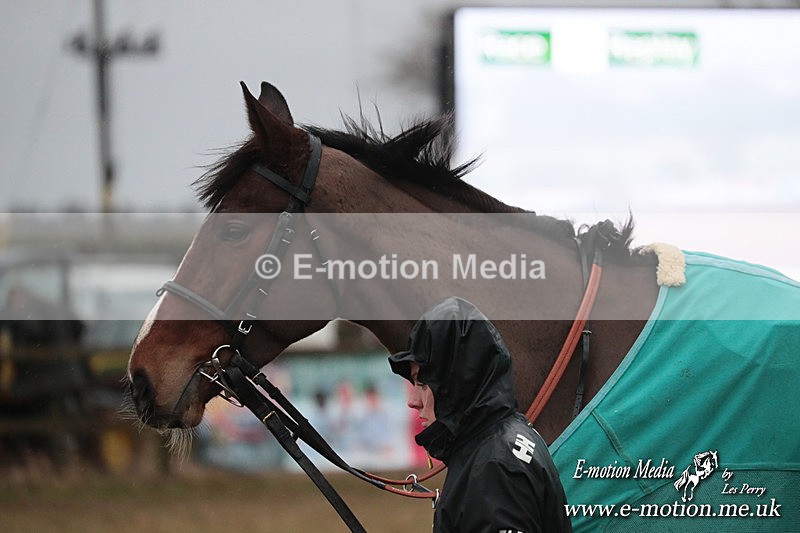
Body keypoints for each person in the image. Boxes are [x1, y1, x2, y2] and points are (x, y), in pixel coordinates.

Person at [389, 296, 572, 532]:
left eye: (423, 384)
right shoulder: (499, 442)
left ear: (456, 383)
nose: (413, 401)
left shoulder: (494, 466)